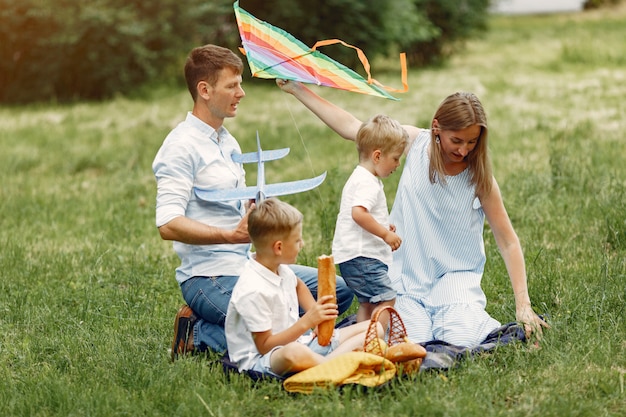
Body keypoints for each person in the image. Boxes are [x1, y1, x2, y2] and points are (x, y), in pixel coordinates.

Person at [276, 79, 550, 347]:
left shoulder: (480, 178)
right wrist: (297, 89)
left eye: (472, 142)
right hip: (405, 277)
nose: (464, 149)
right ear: (436, 128)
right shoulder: (416, 143)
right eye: (457, 140)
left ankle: (457, 318)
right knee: (408, 337)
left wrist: (523, 305)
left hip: (455, 279)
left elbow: (508, 241)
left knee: (463, 337)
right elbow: (352, 128)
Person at [151, 44, 354, 360]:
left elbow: (242, 206)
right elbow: (167, 224)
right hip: (208, 277)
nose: (241, 93)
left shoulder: (226, 140)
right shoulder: (180, 147)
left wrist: (257, 210)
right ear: (204, 90)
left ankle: (231, 329)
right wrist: (229, 236)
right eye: (232, 85)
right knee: (278, 329)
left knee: (337, 293)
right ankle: (197, 334)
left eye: (240, 84)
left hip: (248, 265)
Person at [225, 198, 378, 377]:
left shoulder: (279, 268)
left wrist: (317, 316)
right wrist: (307, 321)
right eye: (298, 241)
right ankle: (334, 365)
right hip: (266, 359)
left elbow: (297, 285)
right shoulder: (252, 289)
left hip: (302, 343)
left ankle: (333, 360)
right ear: (279, 248)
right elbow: (265, 345)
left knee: (375, 328)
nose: (302, 244)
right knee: (294, 353)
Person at [333, 114, 407, 324]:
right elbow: (358, 213)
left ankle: (362, 340)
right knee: (387, 299)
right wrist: (384, 234)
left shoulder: (361, 178)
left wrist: (383, 225)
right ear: (377, 156)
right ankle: (377, 341)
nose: (398, 163)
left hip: (353, 256)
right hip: (363, 257)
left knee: (368, 302)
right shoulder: (367, 183)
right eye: (395, 158)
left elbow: (364, 214)